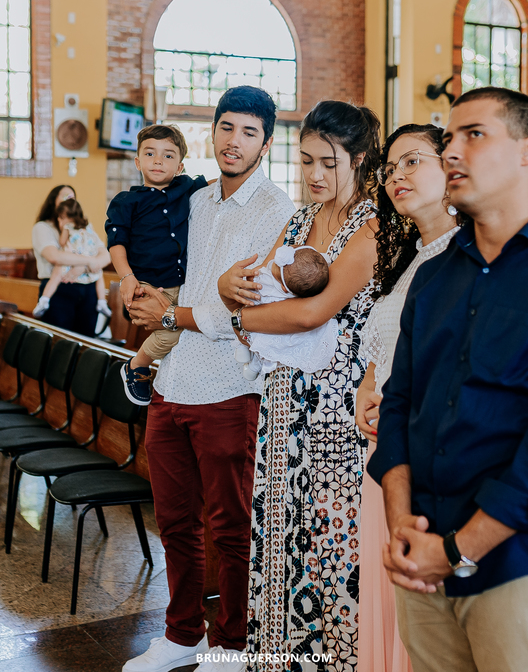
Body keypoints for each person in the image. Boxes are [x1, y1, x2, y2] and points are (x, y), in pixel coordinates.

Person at [368, 87, 528, 672]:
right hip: (423, 556)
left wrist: (455, 551)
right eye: (448, 138)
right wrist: (403, 527)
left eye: (474, 135)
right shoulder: (433, 279)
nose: (451, 151)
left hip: (523, 564)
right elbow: (400, 405)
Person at [122, 87, 295, 672]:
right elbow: (178, 276)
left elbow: (243, 312)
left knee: (230, 528)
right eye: (226, 127)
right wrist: (140, 291)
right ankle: (182, 634)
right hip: (173, 381)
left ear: (266, 144)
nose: (233, 141)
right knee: (174, 520)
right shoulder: (195, 201)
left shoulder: (276, 211)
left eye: (248, 132)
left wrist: (169, 316)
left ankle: (233, 644)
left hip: (230, 386)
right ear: (212, 132)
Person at [216, 100, 382, 672]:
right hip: (284, 397)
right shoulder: (299, 221)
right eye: (306, 160)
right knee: (281, 529)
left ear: (359, 161)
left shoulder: (372, 227)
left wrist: (242, 320)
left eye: (328, 163)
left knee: (331, 538)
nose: (313, 174)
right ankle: (279, 658)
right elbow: (255, 283)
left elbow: (314, 312)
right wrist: (233, 291)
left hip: (338, 407)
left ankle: (334, 661)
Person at [354, 123, 461, 672]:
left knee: (424, 614)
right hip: (385, 451)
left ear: (451, 168)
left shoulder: (466, 256)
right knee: (390, 592)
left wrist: (397, 403)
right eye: (391, 168)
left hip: (427, 451)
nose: (397, 175)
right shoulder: (411, 258)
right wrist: (366, 390)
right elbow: (385, 346)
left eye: (413, 161)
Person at [105, 123, 208, 405]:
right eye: (150, 154)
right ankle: (136, 365)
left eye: (168, 155)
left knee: (193, 326)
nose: (158, 160)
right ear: (138, 162)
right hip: (145, 285)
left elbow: (219, 185)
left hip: (183, 283)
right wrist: (127, 277)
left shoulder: (186, 188)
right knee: (172, 333)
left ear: (180, 166)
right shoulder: (126, 201)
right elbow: (116, 242)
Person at [234, 245, 335, 380]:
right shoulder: (310, 279)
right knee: (272, 349)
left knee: (256, 333)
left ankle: (244, 351)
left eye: (275, 267)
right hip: (289, 334)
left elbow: (249, 286)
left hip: (263, 320)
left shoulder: (266, 284)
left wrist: (252, 277)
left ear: (283, 288)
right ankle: (254, 366)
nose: (273, 264)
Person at [31, 185, 108, 332]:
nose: (69, 199)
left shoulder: (84, 227)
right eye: (65, 195)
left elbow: (105, 256)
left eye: (72, 197)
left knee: (86, 339)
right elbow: (55, 256)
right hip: (60, 289)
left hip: (88, 288)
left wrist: (81, 268)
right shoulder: (43, 227)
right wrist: (89, 261)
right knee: (59, 339)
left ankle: (102, 303)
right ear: (53, 200)